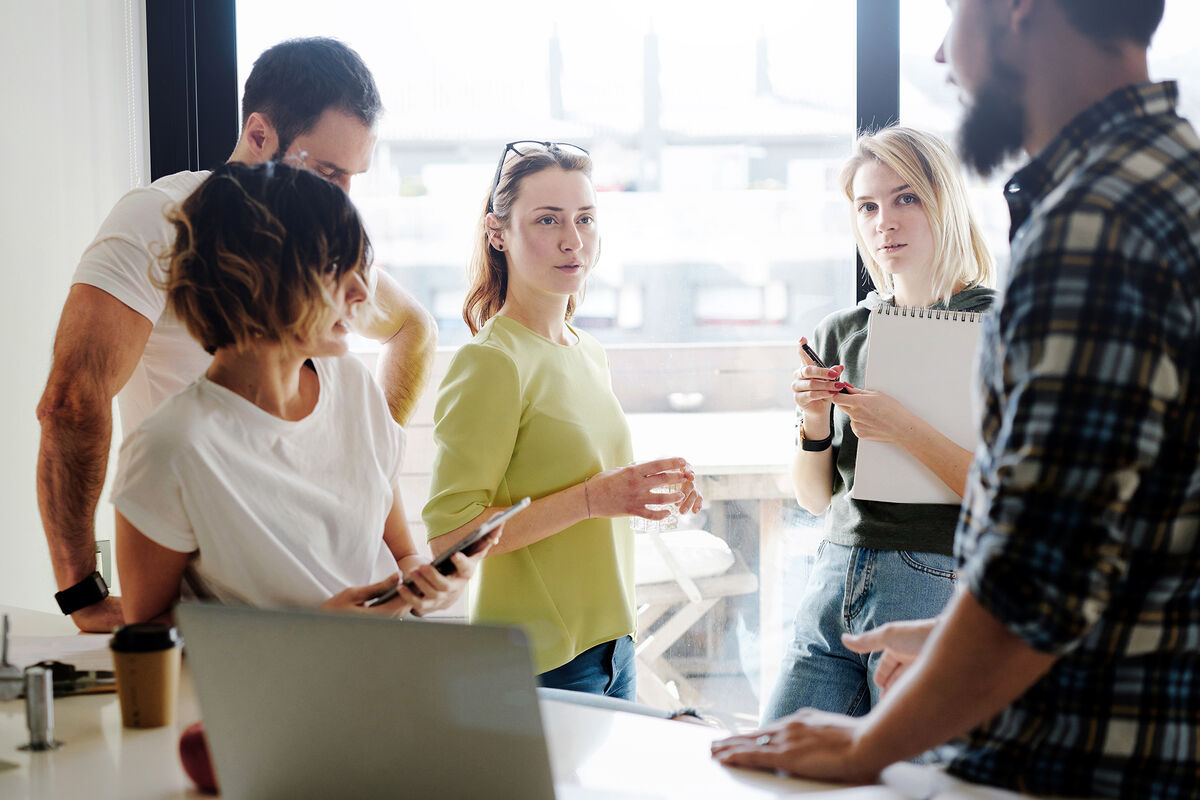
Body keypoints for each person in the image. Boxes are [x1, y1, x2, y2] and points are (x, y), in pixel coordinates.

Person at [713, 1, 1200, 796]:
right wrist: (950, 635)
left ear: (1018, 11)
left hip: (1085, 760)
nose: (941, 52)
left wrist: (866, 745)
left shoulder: (1096, 225)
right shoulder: (1162, 187)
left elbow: (1042, 566)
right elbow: (1124, 544)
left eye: (952, 13)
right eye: (867, 206)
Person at [36, 37, 437, 632]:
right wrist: (82, 593)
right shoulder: (161, 219)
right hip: (218, 580)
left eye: (352, 177)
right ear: (258, 134)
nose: (342, 195)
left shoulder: (326, 242)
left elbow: (414, 328)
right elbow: (72, 398)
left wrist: (363, 448)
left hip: (360, 615)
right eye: (326, 170)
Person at [112, 161, 484, 622]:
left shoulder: (354, 386)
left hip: (385, 671)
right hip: (272, 691)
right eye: (334, 268)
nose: (362, 294)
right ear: (259, 279)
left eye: (357, 268)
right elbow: (146, 629)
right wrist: (308, 631)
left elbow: (404, 554)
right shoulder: (171, 446)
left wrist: (430, 583)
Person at [422, 141, 701, 699]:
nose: (572, 240)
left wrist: (647, 490)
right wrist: (595, 498)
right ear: (497, 233)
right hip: (542, 659)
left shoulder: (586, 349)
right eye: (547, 220)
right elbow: (449, 538)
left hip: (614, 644)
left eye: (585, 219)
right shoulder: (493, 361)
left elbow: (587, 483)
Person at [763, 127, 995, 723]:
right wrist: (814, 420)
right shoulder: (841, 331)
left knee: (906, 778)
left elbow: (1005, 500)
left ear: (943, 203)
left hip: (932, 580)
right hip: (833, 572)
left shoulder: (1000, 327)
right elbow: (815, 499)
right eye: (867, 206)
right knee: (775, 766)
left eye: (905, 198)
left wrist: (903, 428)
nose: (883, 221)